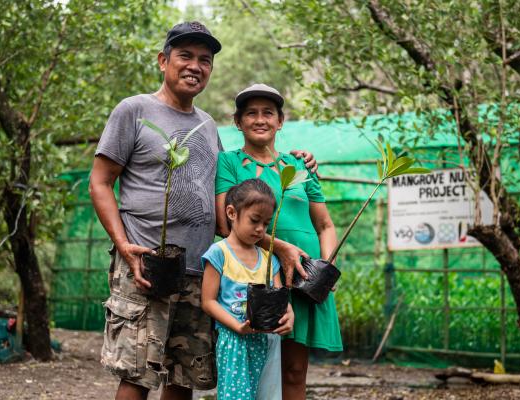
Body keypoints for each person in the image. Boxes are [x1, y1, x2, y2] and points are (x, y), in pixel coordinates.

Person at [90, 21, 317, 400]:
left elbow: (229, 208)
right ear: (163, 61)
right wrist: (123, 244)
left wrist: (299, 159)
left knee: (184, 378)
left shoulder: (207, 126)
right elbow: (100, 182)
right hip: (146, 263)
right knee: (136, 374)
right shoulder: (134, 110)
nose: (195, 65)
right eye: (185, 56)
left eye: (205, 59)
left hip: (201, 270)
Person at [215, 84, 343, 400]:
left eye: (268, 113)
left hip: (304, 278)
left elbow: (325, 225)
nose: (260, 120)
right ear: (238, 121)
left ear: (280, 121)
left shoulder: (299, 166)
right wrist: (281, 249)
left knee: (294, 372)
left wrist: (326, 266)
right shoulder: (229, 163)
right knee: (253, 369)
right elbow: (223, 222)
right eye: (251, 113)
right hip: (255, 275)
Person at [201, 179, 294, 399]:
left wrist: (289, 314)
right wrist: (237, 326)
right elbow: (208, 301)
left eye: (266, 223)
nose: (261, 229)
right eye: (254, 220)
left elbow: (280, 299)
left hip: (266, 340)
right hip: (234, 342)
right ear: (232, 213)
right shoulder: (218, 253)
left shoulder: (269, 259)